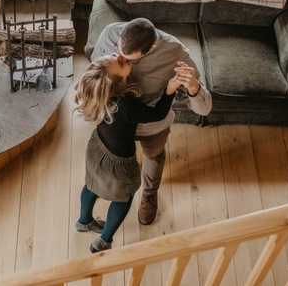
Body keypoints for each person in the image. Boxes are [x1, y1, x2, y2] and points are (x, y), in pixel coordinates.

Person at [90, 18, 211, 226]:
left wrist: (194, 88)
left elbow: (204, 109)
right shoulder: (109, 33)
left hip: (151, 125)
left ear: (152, 47)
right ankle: (103, 186)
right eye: (117, 52)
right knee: (108, 158)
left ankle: (149, 193)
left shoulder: (176, 55)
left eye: (130, 60)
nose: (120, 59)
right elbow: (95, 68)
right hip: (112, 122)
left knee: (154, 156)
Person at [74, 54, 185, 252]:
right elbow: (157, 114)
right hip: (119, 164)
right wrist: (169, 91)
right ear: (116, 82)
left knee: (91, 185)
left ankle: (84, 222)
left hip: (97, 148)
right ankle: (104, 241)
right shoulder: (126, 106)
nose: (120, 56)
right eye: (121, 62)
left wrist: (119, 62)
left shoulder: (97, 94)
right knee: (123, 198)